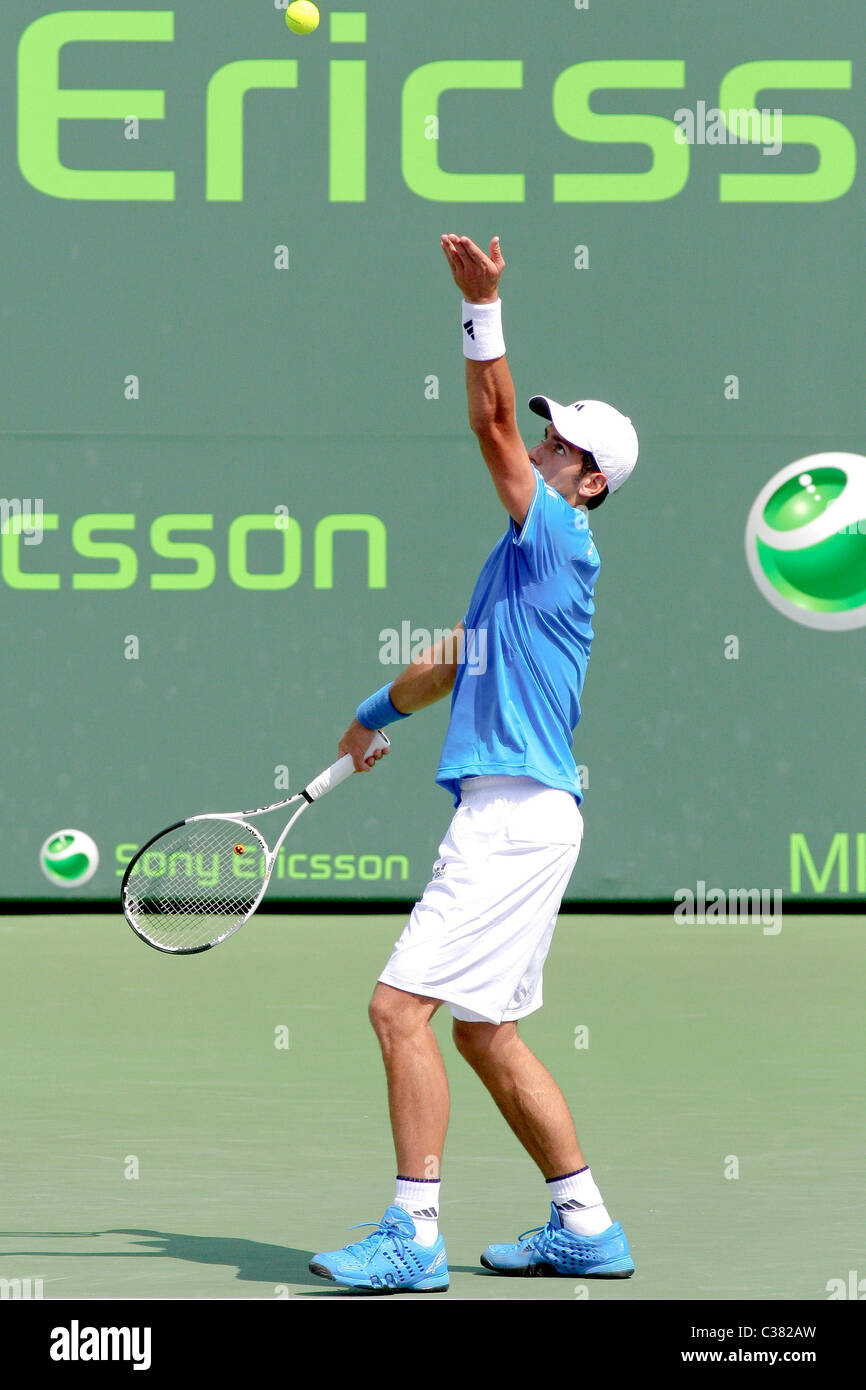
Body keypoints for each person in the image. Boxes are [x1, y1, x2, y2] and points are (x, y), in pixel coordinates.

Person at [310, 233, 638, 1294]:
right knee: (486, 1033)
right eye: (543, 437)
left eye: (557, 446)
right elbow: (454, 658)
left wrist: (481, 306)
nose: (536, 447)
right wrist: (369, 713)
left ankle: (412, 1234)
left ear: (584, 483)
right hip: (532, 812)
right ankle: (584, 1222)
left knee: (398, 1010)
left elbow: (487, 417)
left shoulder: (555, 536)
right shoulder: (520, 564)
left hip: (511, 817)